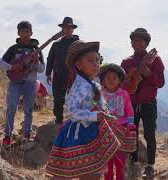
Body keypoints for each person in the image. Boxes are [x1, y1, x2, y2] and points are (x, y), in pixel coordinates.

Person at [46, 40, 121, 180]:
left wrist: (105, 113)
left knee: (94, 172)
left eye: (97, 60)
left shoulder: (95, 85)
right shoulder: (81, 86)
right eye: (90, 61)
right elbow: (70, 112)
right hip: (78, 133)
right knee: (68, 174)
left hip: (92, 131)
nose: (95, 64)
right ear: (78, 65)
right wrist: (93, 115)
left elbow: (98, 103)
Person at [121, 28, 165, 179]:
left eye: (141, 40)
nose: (138, 43)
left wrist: (149, 74)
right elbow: (122, 84)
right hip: (131, 104)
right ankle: (134, 162)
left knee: (149, 133)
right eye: (135, 40)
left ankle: (151, 165)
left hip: (148, 103)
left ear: (146, 43)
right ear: (131, 43)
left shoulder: (155, 60)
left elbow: (160, 83)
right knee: (131, 133)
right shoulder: (126, 62)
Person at [0, 21, 45, 145]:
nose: (25, 34)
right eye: (22, 31)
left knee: (28, 109)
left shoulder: (37, 49)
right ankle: (7, 136)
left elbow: (41, 69)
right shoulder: (13, 49)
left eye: (27, 31)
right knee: (11, 107)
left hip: (30, 83)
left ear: (31, 33)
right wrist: (14, 67)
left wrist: (36, 62)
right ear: (18, 33)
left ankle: (27, 135)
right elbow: (2, 63)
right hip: (15, 82)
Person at [99, 63, 135, 180]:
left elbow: (129, 110)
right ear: (103, 81)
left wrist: (130, 123)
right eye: (108, 78)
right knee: (107, 162)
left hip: (121, 130)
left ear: (119, 80)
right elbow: (92, 107)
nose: (111, 80)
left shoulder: (124, 94)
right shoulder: (99, 94)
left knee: (120, 161)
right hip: (105, 131)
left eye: (114, 78)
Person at [46, 17, 79, 124]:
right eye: (65, 27)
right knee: (58, 99)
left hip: (73, 76)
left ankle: (75, 120)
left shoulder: (78, 43)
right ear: (62, 29)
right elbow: (50, 59)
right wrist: (47, 73)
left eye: (69, 27)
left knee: (74, 99)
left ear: (72, 29)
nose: (67, 29)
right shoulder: (56, 44)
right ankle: (58, 120)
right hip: (58, 75)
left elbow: (84, 58)